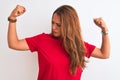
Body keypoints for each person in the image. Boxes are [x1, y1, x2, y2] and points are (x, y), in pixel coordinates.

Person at [7, 5, 110, 80]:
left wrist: (104, 30)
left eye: (58, 25)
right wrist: (12, 18)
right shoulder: (42, 40)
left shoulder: (78, 45)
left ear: (69, 26)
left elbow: (104, 54)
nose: (53, 27)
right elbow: (13, 43)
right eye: (52, 22)